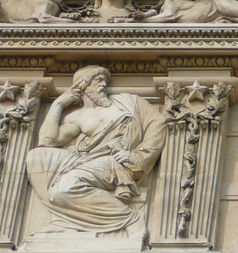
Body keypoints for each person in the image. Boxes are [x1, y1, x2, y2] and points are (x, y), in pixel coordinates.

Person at [25, 65, 166, 241]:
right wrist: (57, 105)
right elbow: (47, 142)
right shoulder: (76, 117)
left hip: (115, 161)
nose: (104, 85)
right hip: (86, 161)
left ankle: (129, 218)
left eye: (105, 81)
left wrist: (137, 156)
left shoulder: (130, 103)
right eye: (98, 81)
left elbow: (158, 123)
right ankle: (66, 218)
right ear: (82, 86)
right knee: (36, 158)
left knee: (65, 188)